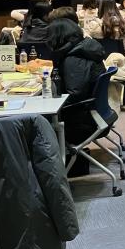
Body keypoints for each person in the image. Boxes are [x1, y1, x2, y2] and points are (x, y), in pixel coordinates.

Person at [47, 18, 106, 176]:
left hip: (82, 122)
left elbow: (75, 94)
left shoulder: (73, 59)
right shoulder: (85, 48)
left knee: (38, 121)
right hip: (96, 114)